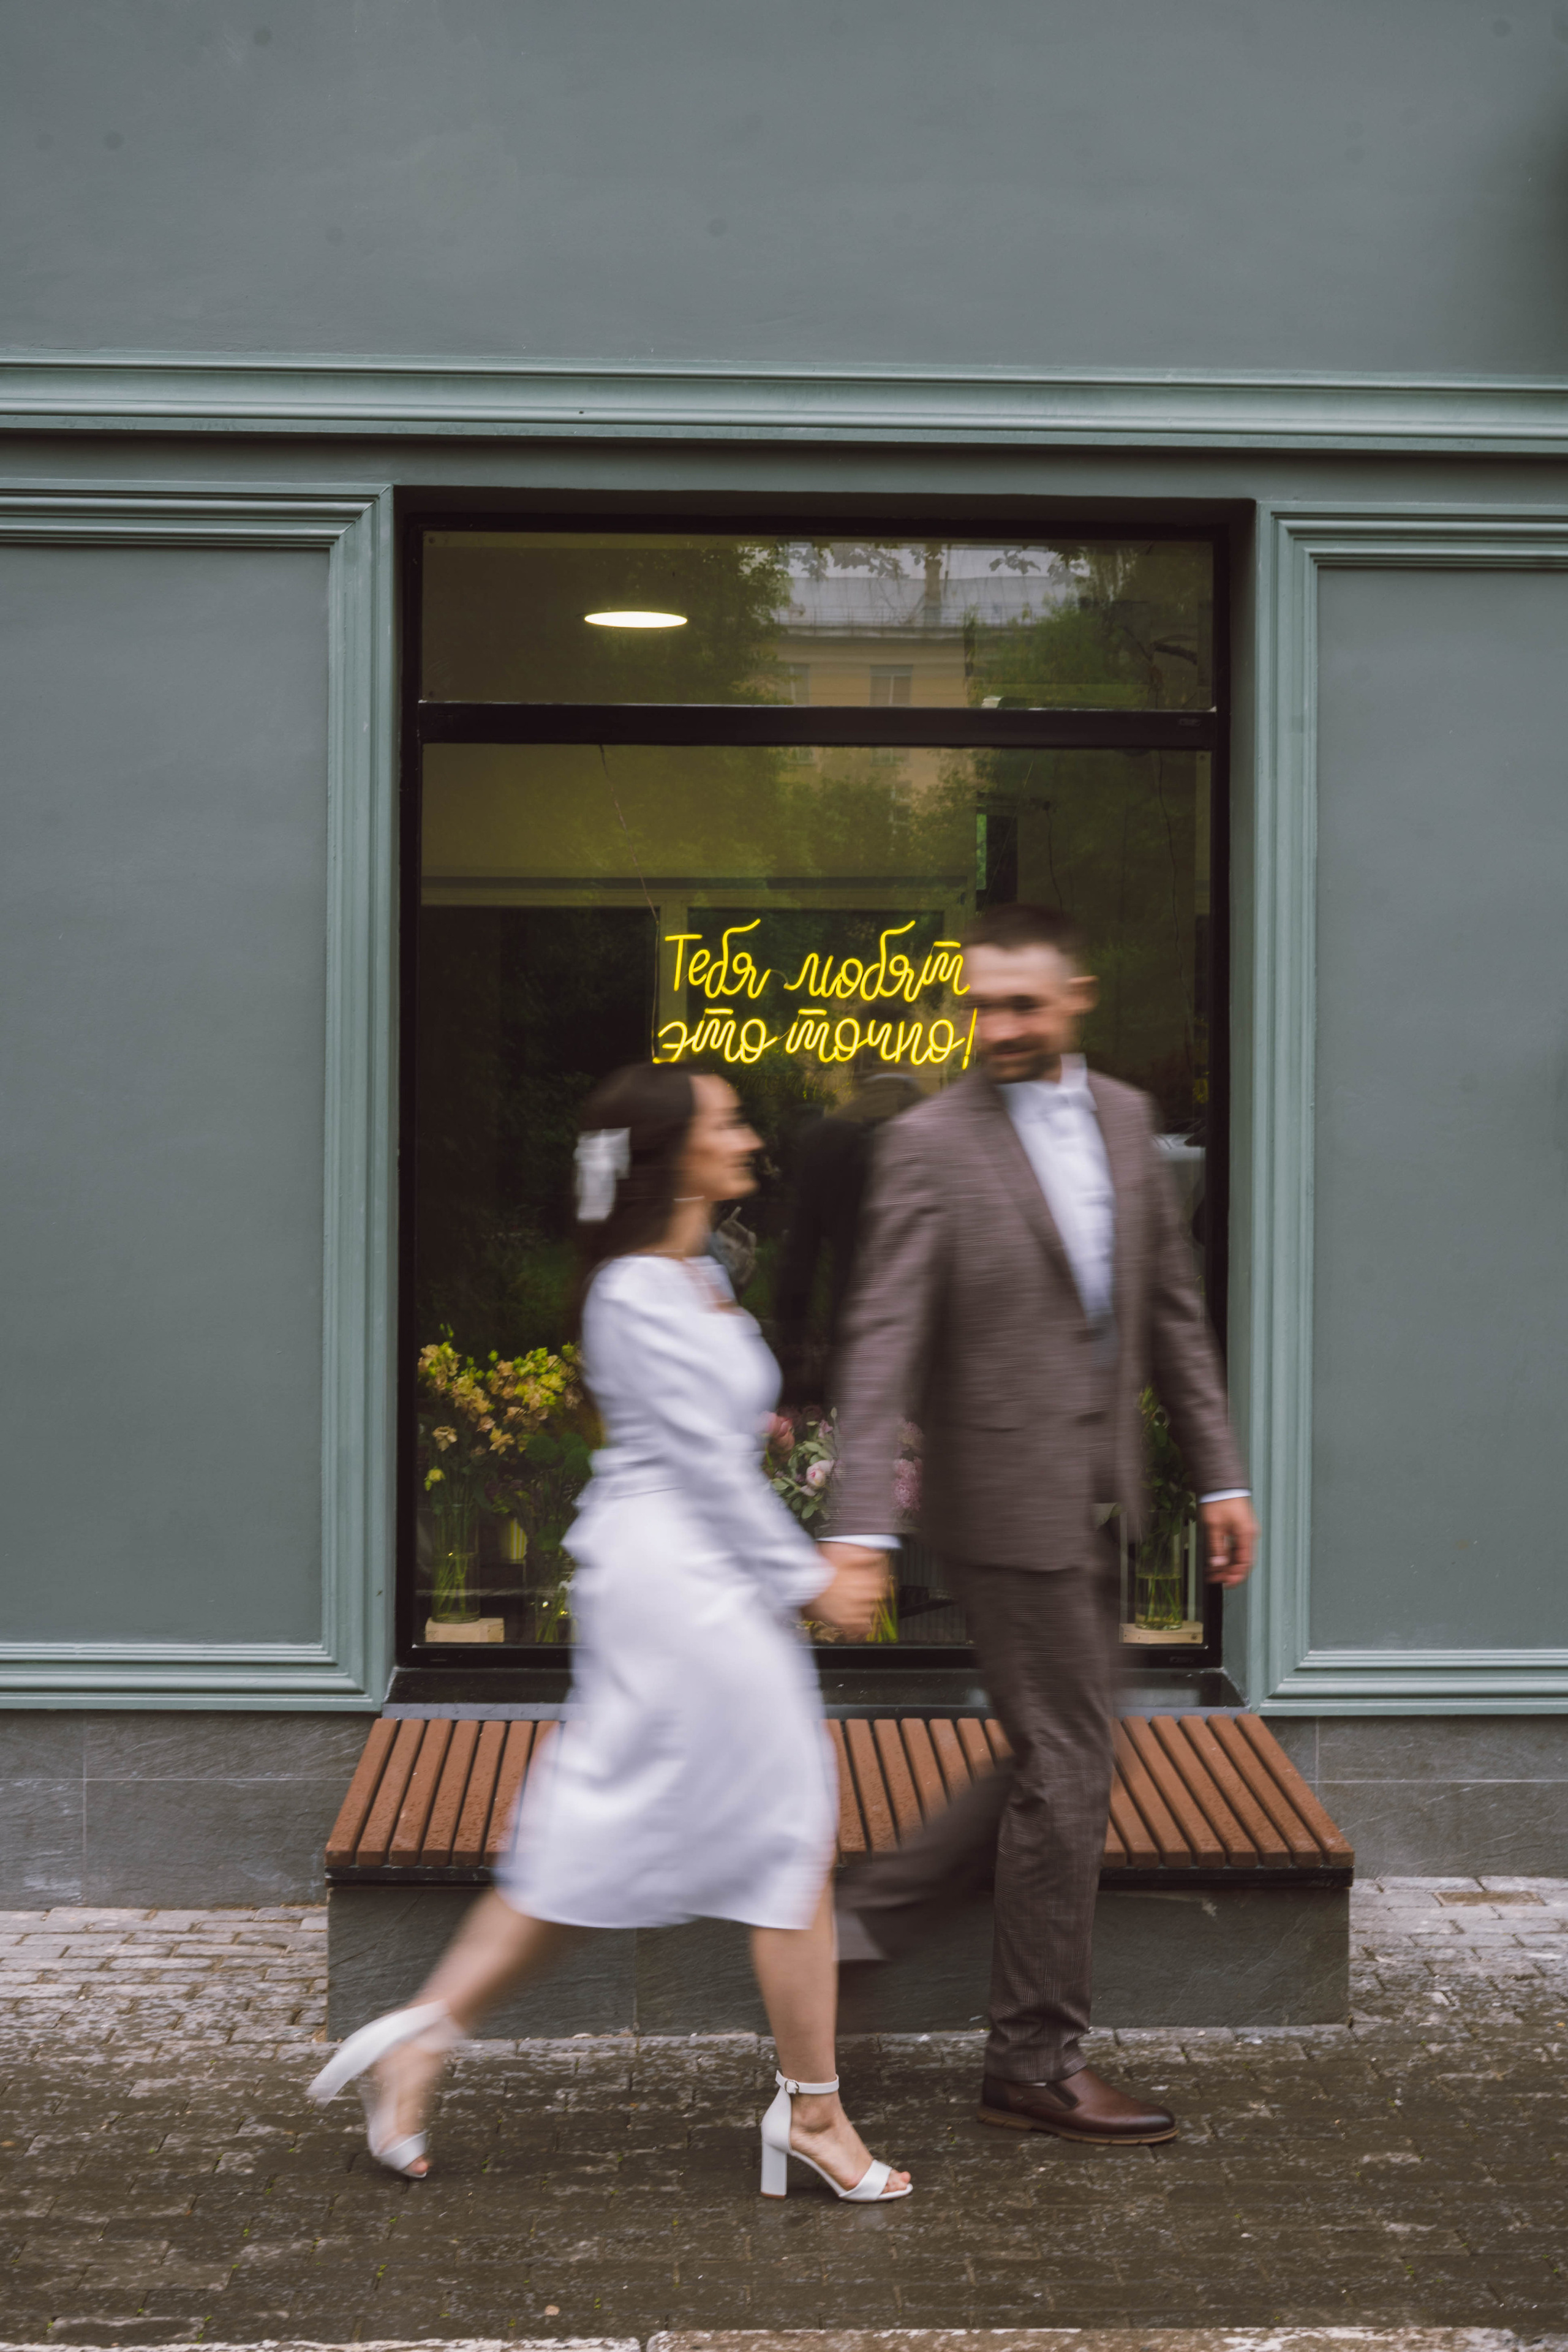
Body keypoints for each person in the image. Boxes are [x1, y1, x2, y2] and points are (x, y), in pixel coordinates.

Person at [309, 1063, 910, 2203]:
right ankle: (813, 2114)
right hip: (680, 1578)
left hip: (698, 1577)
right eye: (726, 1121)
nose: (749, 1136)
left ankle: (422, 2042)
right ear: (673, 1154)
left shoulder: (696, 1273)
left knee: (620, 1826)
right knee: (786, 1832)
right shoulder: (635, 1293)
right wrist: (804, 1578)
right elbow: (697, 1463)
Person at [822, 902, 1257, 2147]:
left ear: (1074, 995)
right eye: (978, 1004)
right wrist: (857, 1522)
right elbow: (880, 1338)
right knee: (1070, 1759)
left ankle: (868, 1924)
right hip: (1001, 1500)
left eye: (1020, 1003)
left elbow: (1169, 1313)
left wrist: (1217, 1476)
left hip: (1101, 1491)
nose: (996, 1025)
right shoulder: (924, 1144)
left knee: (1051, 1750)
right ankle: (1033, 2057)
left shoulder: (1124, 1120)